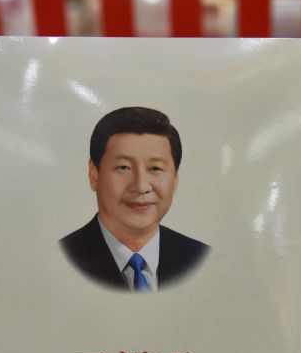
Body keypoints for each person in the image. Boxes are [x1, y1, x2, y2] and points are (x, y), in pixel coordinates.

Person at [60, 107, 210, 292]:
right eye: (123, 167)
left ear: (175, 179)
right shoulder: (63, 259)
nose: (140, 186)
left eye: (155, 168)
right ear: (94, 174)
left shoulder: (199, 257)